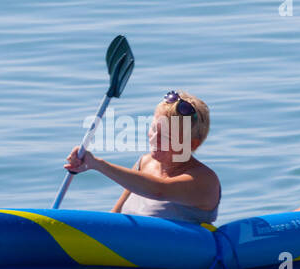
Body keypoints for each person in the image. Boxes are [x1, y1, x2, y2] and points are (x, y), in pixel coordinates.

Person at [64, 90, 221, 223]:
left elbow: (159, 191)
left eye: (167, 135)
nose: (155, 138)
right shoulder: (144, 163)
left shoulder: (204, 181)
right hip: (124, 253)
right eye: (154, 129)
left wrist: (97, 164)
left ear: (192, 145)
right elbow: (115, 215)